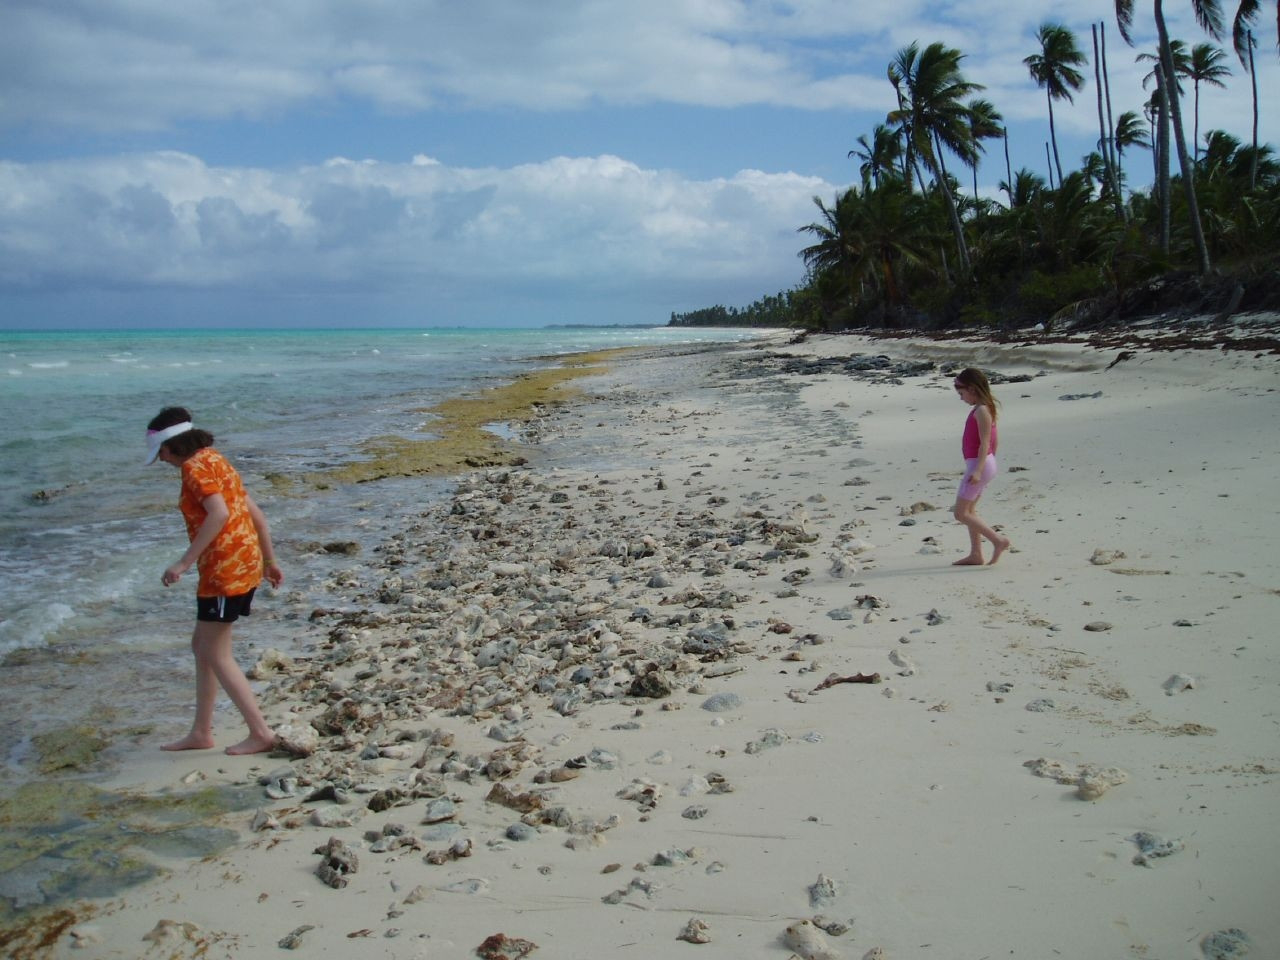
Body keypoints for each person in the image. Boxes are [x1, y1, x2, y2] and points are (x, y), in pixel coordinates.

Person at [146, 406, 281, 755]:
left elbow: (219, 513)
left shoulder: (193, 468)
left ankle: (261, 732)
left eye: (160, 452)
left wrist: (183, 562)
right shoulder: (215, 459)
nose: (160, 460)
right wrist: (269, 560)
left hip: (225, 571)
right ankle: (201, 732)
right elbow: (255, 513)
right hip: (245, 562)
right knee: (202, 646)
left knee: (217, 653)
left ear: (172, 446)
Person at [951, 368, 1011, 566]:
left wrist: (978, 470)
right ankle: (976, 554)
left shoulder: (982, 411)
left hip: (979, 465)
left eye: (962, 394)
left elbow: (986, 443)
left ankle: (998, 540)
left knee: (960, 513)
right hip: (984, 464)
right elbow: (995, 441)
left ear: (972, 389)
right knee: (971, 511)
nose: (961, 398)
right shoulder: (984, 408)